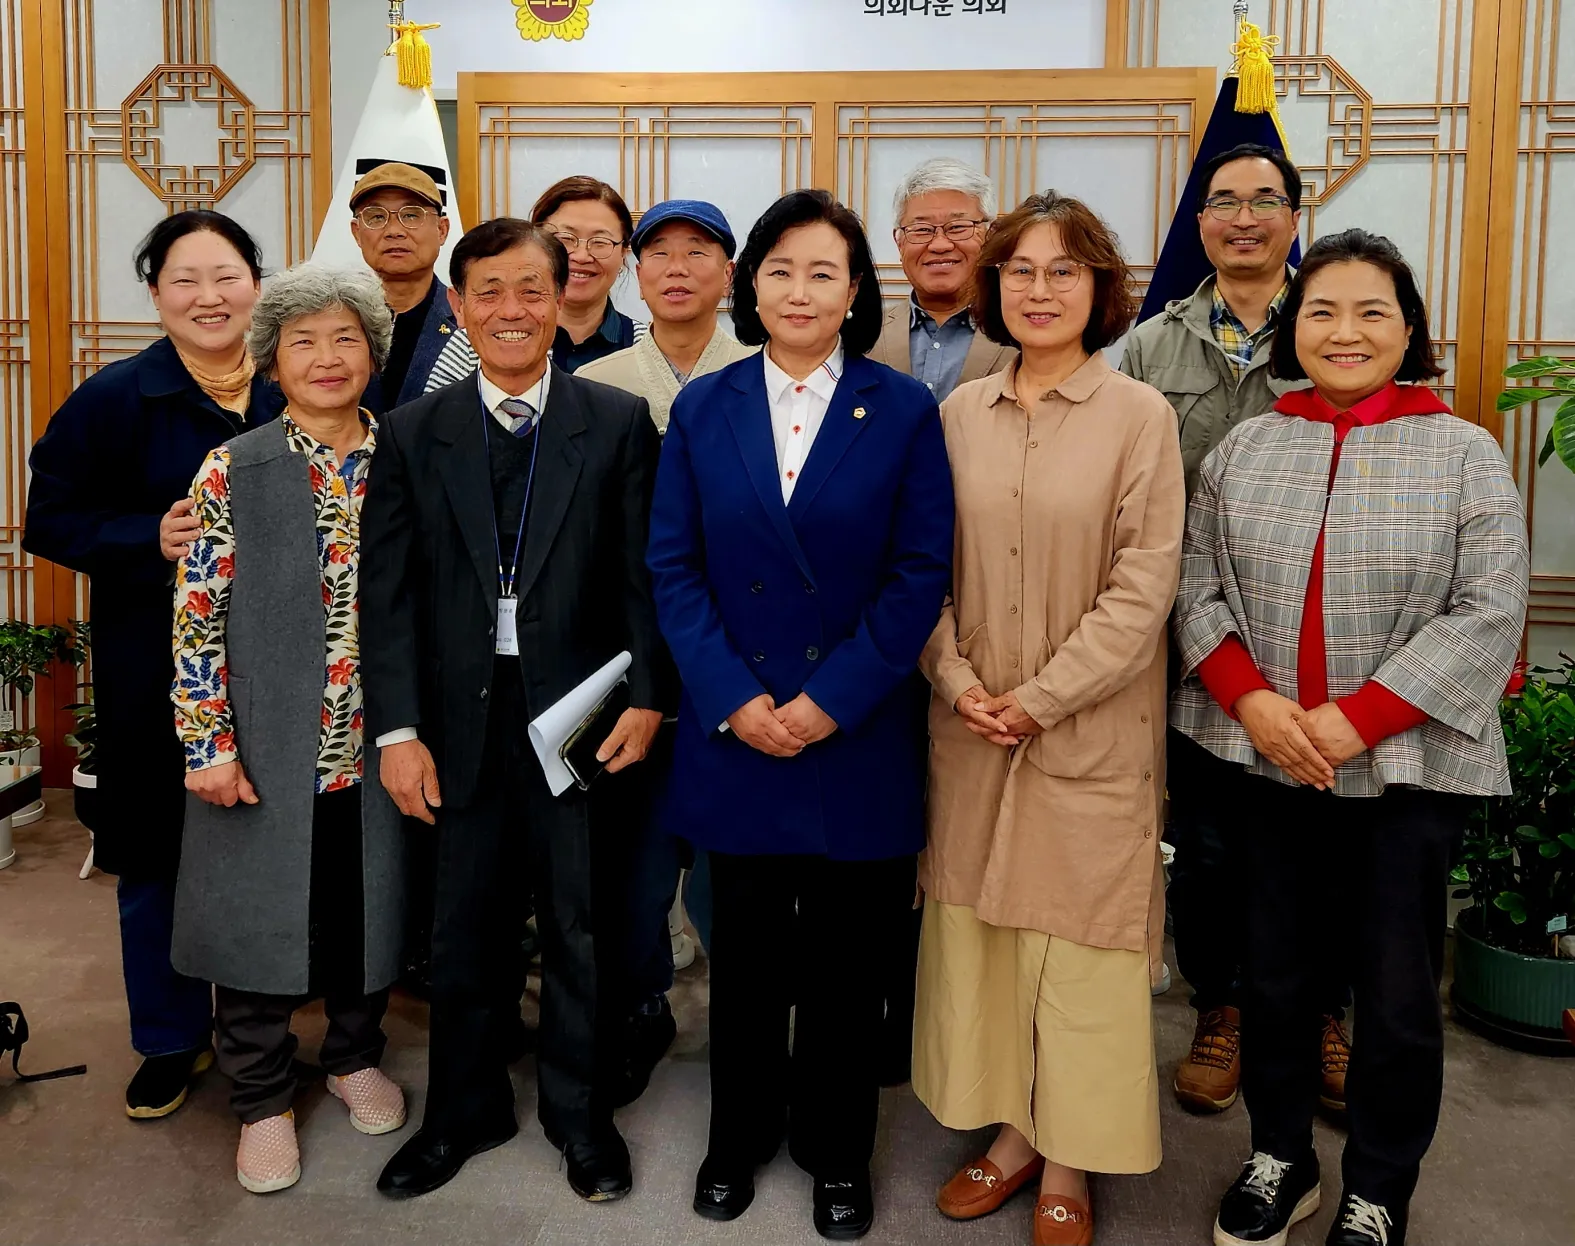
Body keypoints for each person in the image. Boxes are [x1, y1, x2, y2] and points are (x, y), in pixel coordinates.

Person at [1173, 230, 1528, 1246]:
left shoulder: (1462, 450)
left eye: (1373, 310)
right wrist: (1254, 705)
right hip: (1263, 758)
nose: (1346, 331)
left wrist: (1356, 717)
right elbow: (1196, 587)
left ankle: (1378, 1185)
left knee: (1398, 991)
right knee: (1273, 975)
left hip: (1405, 769)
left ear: (1408, 328)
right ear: (1295, 328)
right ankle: (1279, 1154)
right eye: (1323, 310)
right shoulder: (1248, 446)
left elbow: (1488, 609)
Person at [647, 189, 954, 1241]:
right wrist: (737, 698)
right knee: (745, 961)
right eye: (781, 269)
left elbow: (920, 575)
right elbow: (672, 568)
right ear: (751, 285)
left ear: (857, 291)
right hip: (738, 731)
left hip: (854, 729)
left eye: (825, 272)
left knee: (846, 965)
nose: (801, 289)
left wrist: (830, 700)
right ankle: (735, 1139)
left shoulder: (903, 408)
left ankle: (837, 1150)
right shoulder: (705, 405)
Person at [361, 216, 676, 1203]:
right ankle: (465, 1108)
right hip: (458, 717)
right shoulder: (414, 432)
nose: (511, 310)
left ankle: (580, 1118)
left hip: (579, 709)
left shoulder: (616, 423)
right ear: (459, 307)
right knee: (464, 927)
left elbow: (645, 578)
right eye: (488, 292)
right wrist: (399, 732)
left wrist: (649, 700)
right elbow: (389, 593)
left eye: (531, 291)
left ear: (562, 300)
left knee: (580, 922)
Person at [913, 192, 1183, 1246]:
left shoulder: (1139, 418)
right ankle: (1012, 1132)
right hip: (970, 724)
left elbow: (1143, 585)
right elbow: (918, 567)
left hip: (1086, 732)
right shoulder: (954, 417)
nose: (1038, 289)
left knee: (1080, 952)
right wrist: (951, 674)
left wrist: (1041, 696)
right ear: (992, 288)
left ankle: (1071, 1155)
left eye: (1062, 270)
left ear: (1099, 288)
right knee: (983, 936)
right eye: (1019, 270)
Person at [23, 211, 282, 1122]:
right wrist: (146, 536)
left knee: (271, 852)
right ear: (155, 296)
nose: (208, 297)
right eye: (185, 280)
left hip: (284, 670)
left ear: (256, 280)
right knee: (155, 857)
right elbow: (46, 519)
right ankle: (171, 1040)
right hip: (154, 672)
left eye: (226, 275)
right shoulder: (116, 397)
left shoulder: (296, 382)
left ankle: (268, 1025)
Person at [1119, 141, 1353, 1117]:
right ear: (1201, 221)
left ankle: (1324, 1016)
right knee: (1210, 847)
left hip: (1328, 644)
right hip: (1195, 647)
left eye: (1266, 200)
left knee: (1326, 842)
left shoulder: (1337, 327)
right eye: (1224, 202)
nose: (1244, 217)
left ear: (1296, 217)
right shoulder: (1150, 346)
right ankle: (1223, 1011)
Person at [169, 265, 405, 1194]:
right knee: (256, 924)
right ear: (271, 363)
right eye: (302, 341)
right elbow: (196, 610)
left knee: (363, 911)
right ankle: (262, 1100)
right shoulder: (236, 465)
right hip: (265, 741)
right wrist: (208, 742)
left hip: (378, 739)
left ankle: (351, 1057)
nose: (325, 358)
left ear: (374, 356)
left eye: (346, 338)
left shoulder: (406, 458)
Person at [576, 197, 756, 1100]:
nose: (677, 267)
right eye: (659, 253)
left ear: (731, 275)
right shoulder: (598, 384)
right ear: (633, 273)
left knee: (735, 856)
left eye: (700, 252)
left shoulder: (767, 376)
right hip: (628, 661)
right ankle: (640, 1006)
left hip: (740, 660)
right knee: (634, 855)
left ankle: (749, 1017)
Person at [868, 157, 1013, 401]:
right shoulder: (865, 333)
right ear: (899, 241)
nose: (940, 244)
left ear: (990, 236)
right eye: (922, 229)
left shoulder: (1021, 331)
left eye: (957, 227)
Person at [349, 160, 477, 413]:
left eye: (411, 215)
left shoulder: (471, 319)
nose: (394, 231)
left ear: (442, 230)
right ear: (356, 232)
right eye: (376, 217)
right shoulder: (336, 319)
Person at [530, 176, 647, 373]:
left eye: (600, 242)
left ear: (623, 253)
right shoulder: (484, 340)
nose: (582, 256)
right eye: (565, 239)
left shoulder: (647, 348)